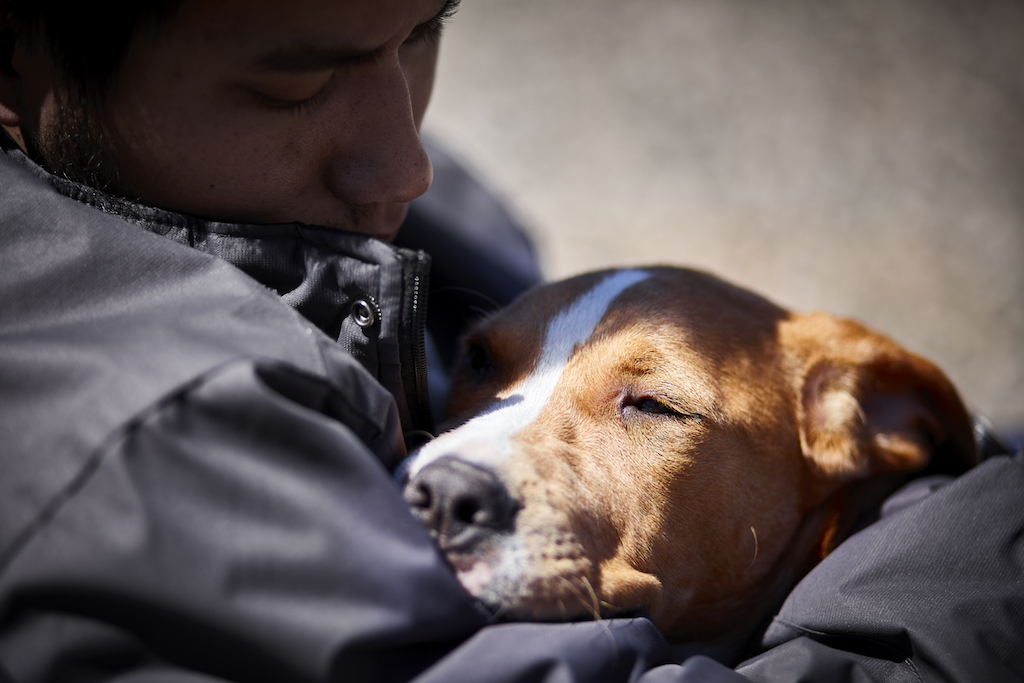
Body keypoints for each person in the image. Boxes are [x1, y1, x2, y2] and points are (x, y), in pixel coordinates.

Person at [0, 2, 1020, 682]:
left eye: (422, 31)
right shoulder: (147, 432)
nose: (409, 172)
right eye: (292, 87)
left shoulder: (363, 228)